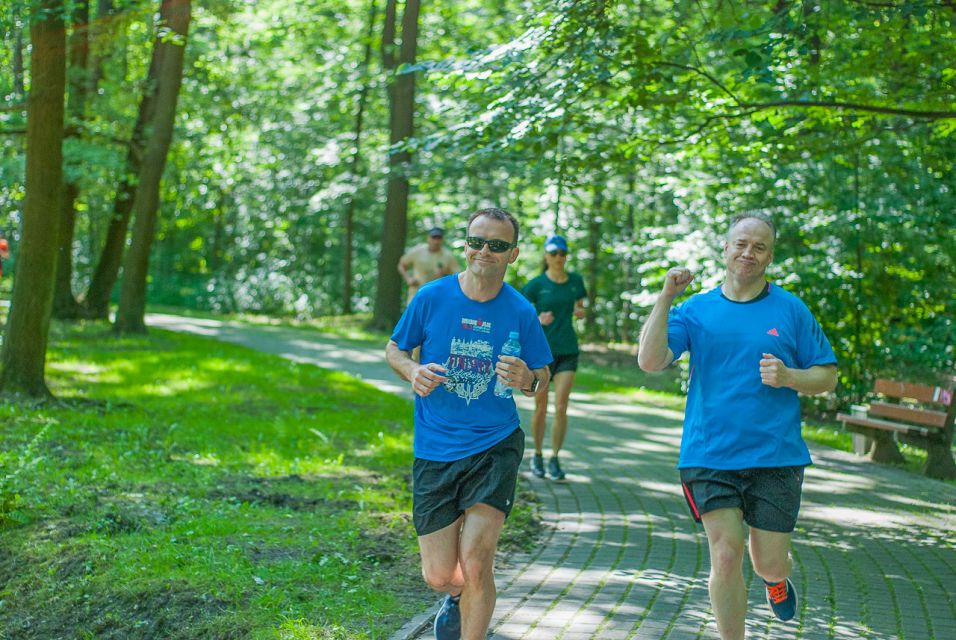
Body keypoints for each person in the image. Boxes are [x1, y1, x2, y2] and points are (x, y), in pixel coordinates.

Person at [637, 213, 838, 640]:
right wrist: (665, 299)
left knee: (768, 561)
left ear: (770, 256)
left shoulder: (790, 309)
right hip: (709, 454)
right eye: (741, 243)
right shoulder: (695, 309)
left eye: (759, 246)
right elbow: (651, 361)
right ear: (725, 249)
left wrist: (790, 377)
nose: (749, 252)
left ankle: (775, 579)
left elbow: (827, 376)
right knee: (725, 556)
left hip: (775, 456)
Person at [386, 208, 553, 640]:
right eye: (477, 241)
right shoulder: (430, 296)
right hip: (436, 447)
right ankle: (457, 596)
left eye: (497, 245)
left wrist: (528, 381)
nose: (485, 251)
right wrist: (412, 372)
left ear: (513, 254)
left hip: (495, 445)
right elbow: (395, 350)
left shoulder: (520, 310)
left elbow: (542, 373)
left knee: (477, 562)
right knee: (441, 574)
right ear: (465, 244)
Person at [521, 234, 587, 481]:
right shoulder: (536, 284)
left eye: (562, 253)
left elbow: (580, 308)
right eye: (554, 253)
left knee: (561, 406)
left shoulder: (575, 282)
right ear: (546, 256)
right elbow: (521, 315)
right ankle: (536, 455)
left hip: (568, 349)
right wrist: (537, 320)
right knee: (541, 407)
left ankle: (555, 458)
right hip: (542, 352)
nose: (558, 258)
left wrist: (580, 312)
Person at [398, 226, 459, 304]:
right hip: (416, 295)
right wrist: (408, 279)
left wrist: (444, 275)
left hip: (437, 298)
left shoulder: (448, 256)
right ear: (428, 238)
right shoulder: (417, 251)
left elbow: (457, 278)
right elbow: (401, 265)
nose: (436, 241)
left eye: (439, 238)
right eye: (434, 237)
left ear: (442, 239)